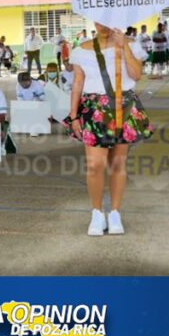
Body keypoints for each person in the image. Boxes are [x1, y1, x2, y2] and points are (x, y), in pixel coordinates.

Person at [67, 24, 152, 236]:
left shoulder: (131, 44)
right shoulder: (81, 50)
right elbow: (77, 83)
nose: (103, 24)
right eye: (99, 20)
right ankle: (97, 213)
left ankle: (115, 213)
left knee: (117, 163)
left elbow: (136, 74)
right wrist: (74, 115)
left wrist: (124, 46)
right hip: (94, 109)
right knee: (95, 165)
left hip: (124, 106)